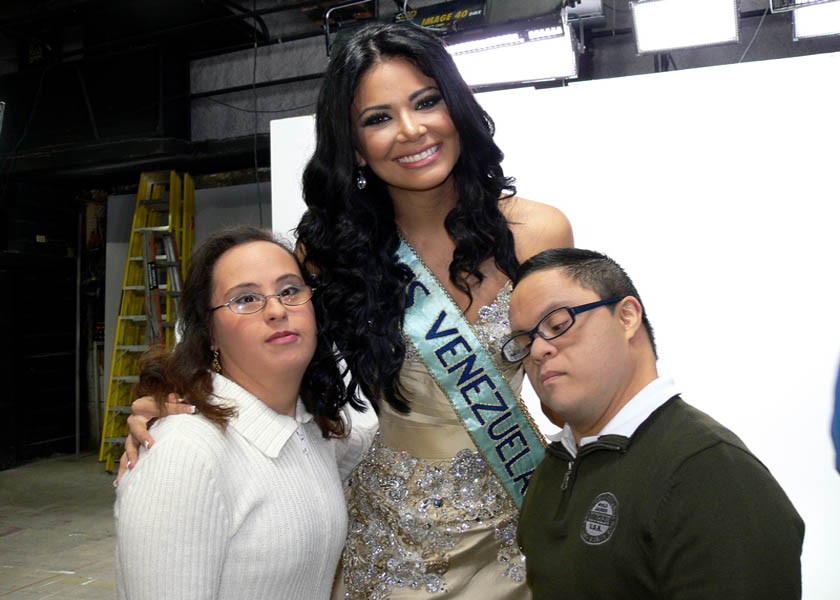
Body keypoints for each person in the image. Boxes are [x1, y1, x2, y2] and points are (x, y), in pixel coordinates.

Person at [122, 22, 572, 599]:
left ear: (456, 107)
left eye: (427, 102)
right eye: (378, 118)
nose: (411, 131)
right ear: (354, 144)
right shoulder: (330, 251)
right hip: (391, 538)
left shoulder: (539, 231)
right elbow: (265, 360)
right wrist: (176, 405)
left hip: (515, 516)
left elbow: (572, 385)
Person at [504, 248, 805, 599]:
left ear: (627, 316)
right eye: (525, 341)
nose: (539, 350)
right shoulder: (553, 469)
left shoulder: (708, 469)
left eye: (557, 325)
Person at [114, 225, 377, 600]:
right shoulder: (182, 454)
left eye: (289, 290)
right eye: (245, 299)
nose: (276, 310)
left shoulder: (313, 433)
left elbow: (398, 444)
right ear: (209, 334)